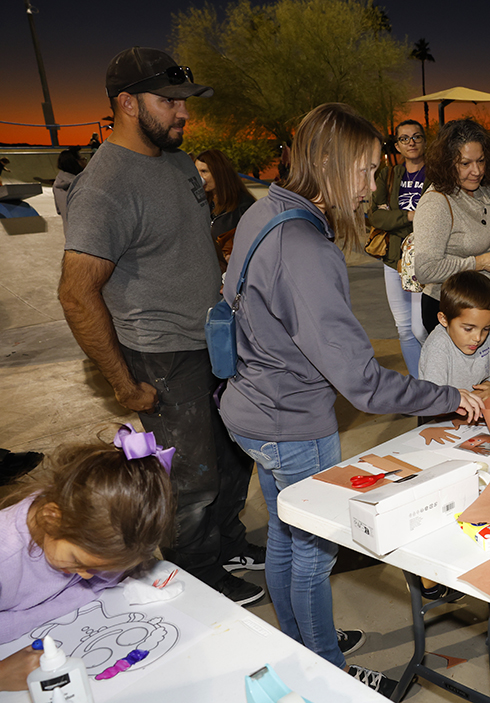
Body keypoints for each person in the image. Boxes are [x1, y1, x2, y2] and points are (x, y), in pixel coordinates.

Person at [219, 103, 484, 695]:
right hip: (290, 421)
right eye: (365, 171)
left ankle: (299, 644)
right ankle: (327, 677)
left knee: (287, 537)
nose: (372, 186)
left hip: (253, 407)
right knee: (314, 554)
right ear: (332, 165)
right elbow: (361, 381)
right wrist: (448, 394)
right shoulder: (305, 250)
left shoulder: (265, 212)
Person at [57, 47, 264, 606]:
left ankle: (226, 544)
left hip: (212, 342)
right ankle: (199, 578)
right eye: (169, 102)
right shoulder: (103, 186)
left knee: (230, 457)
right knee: (189, 480)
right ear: (127, 103)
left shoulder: (177, 163)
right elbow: (76, 293)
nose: (182, 114)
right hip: (162, 356)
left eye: (184, 102)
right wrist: (123, 383)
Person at [0, 429, 175, 691]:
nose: (85, 576)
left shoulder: (98, 531)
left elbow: (101, 584)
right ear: (51, 517)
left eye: (98, 568)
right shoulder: (6, 556)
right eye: (77, 561)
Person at [414, 118, 490, 334]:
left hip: (488, 305)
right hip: (453, 314)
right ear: (447, 163)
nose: (477, 171)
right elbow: (425, 270)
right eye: (465, 163)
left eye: (481, 161)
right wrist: (480, 262)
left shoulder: (487, 190)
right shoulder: (437, 202)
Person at [368, 119, 429, 377]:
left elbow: (439, 215)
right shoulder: (389, 174)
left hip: (424, 259)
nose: (411, 142)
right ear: (397, 145)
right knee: (403, 328)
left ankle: (440, 377)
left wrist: (393, 215)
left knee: (420, 328)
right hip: (394, 260)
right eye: (404, 138)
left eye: (416, 136)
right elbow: (374, 216)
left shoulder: (437, 175)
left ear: (425, 141)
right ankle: (420, 385)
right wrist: (409, 217)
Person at [418, 271, 490, 400]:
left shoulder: (487, 336)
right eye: (468, 329)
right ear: (444, 319)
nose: (478, 338)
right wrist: (466, 401)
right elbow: (432, 401)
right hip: (443, 417)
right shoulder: (438, 348)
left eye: (486, 328)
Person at [195, 149, 256, 271]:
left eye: (204, 171)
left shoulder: (244, 207)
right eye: (196, 172)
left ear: (220, 173)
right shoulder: (199, 204)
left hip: (231, 278)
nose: (199, 178)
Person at [52, 148, 86, 230]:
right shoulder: (83, 185)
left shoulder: (56, 185)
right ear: (76, 162)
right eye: (83, 159)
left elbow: (59, 210)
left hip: (70, 235)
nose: (85, 162)